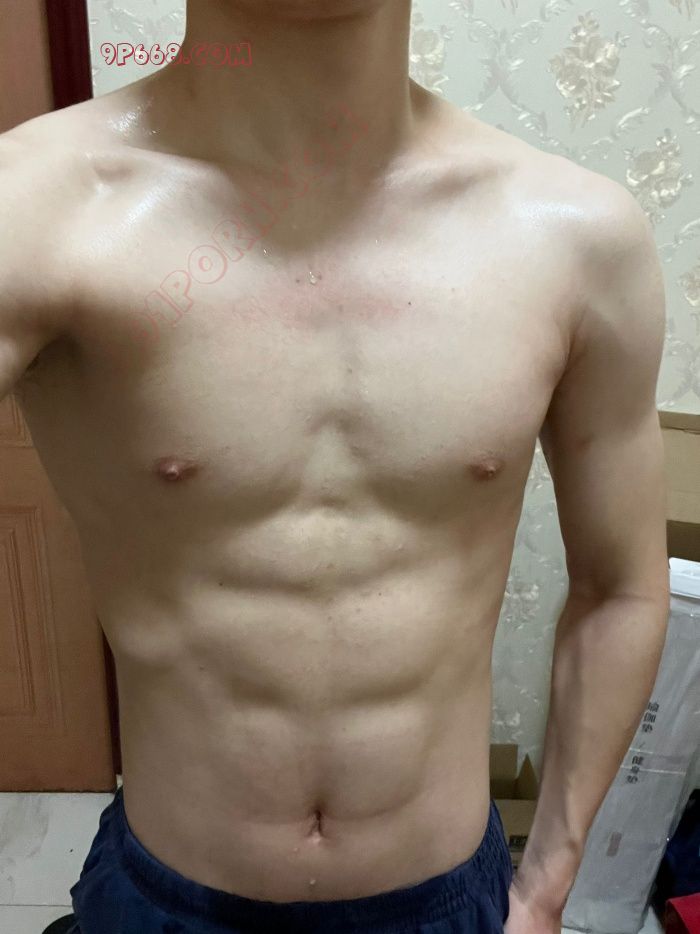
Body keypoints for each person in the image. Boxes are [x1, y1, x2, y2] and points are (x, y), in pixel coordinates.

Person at [0, 1, 671, 932]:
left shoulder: (574, 234)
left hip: (452, 903)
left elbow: (621, 588)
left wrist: (546, 885)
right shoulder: (34, 210)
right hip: (166, 901)